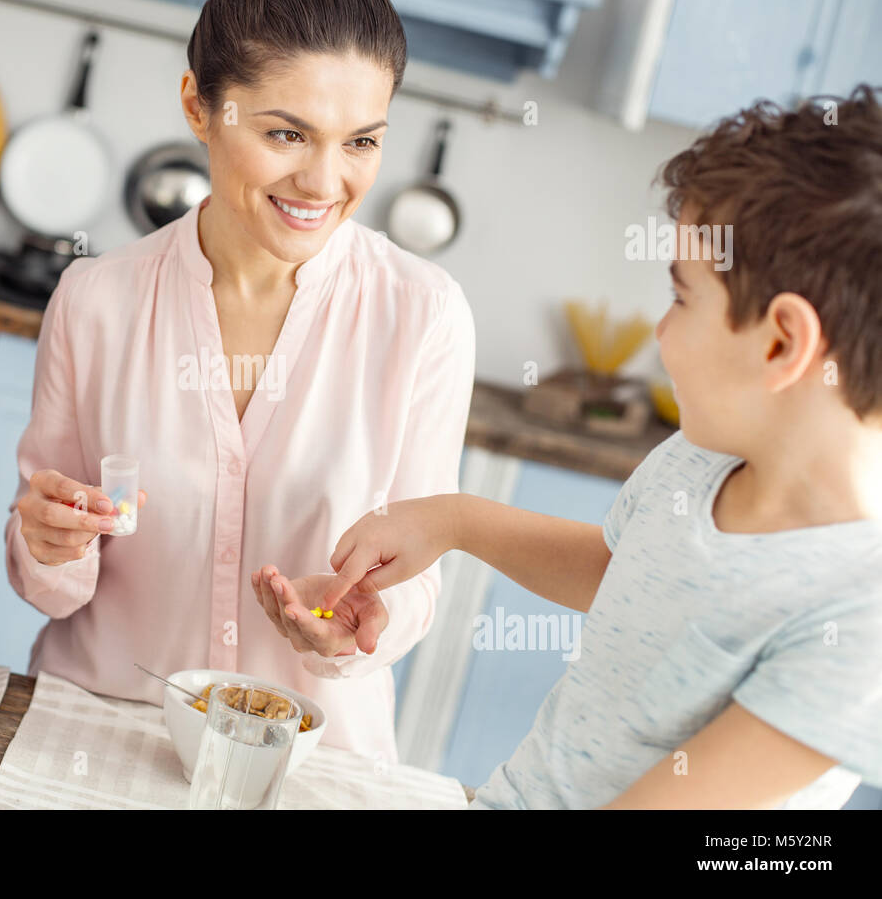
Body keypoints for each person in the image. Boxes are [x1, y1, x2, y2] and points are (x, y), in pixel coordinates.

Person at [317, 86, 882, 807]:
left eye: (681, 297)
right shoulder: (700, 461)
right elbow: (626, 574)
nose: (660, 332)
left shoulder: (860, 614)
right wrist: (451, 521)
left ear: (781, 342)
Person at [5, 0, 475, 760]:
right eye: (287, 134)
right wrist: (48, 542)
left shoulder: (423, 315)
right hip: (100, 742)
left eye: (361, 142)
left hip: (310, 763)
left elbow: (420, 575)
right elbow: (49, 579)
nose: (324, 182)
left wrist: (367, 626)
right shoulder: (97, 300)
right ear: (199, 106)